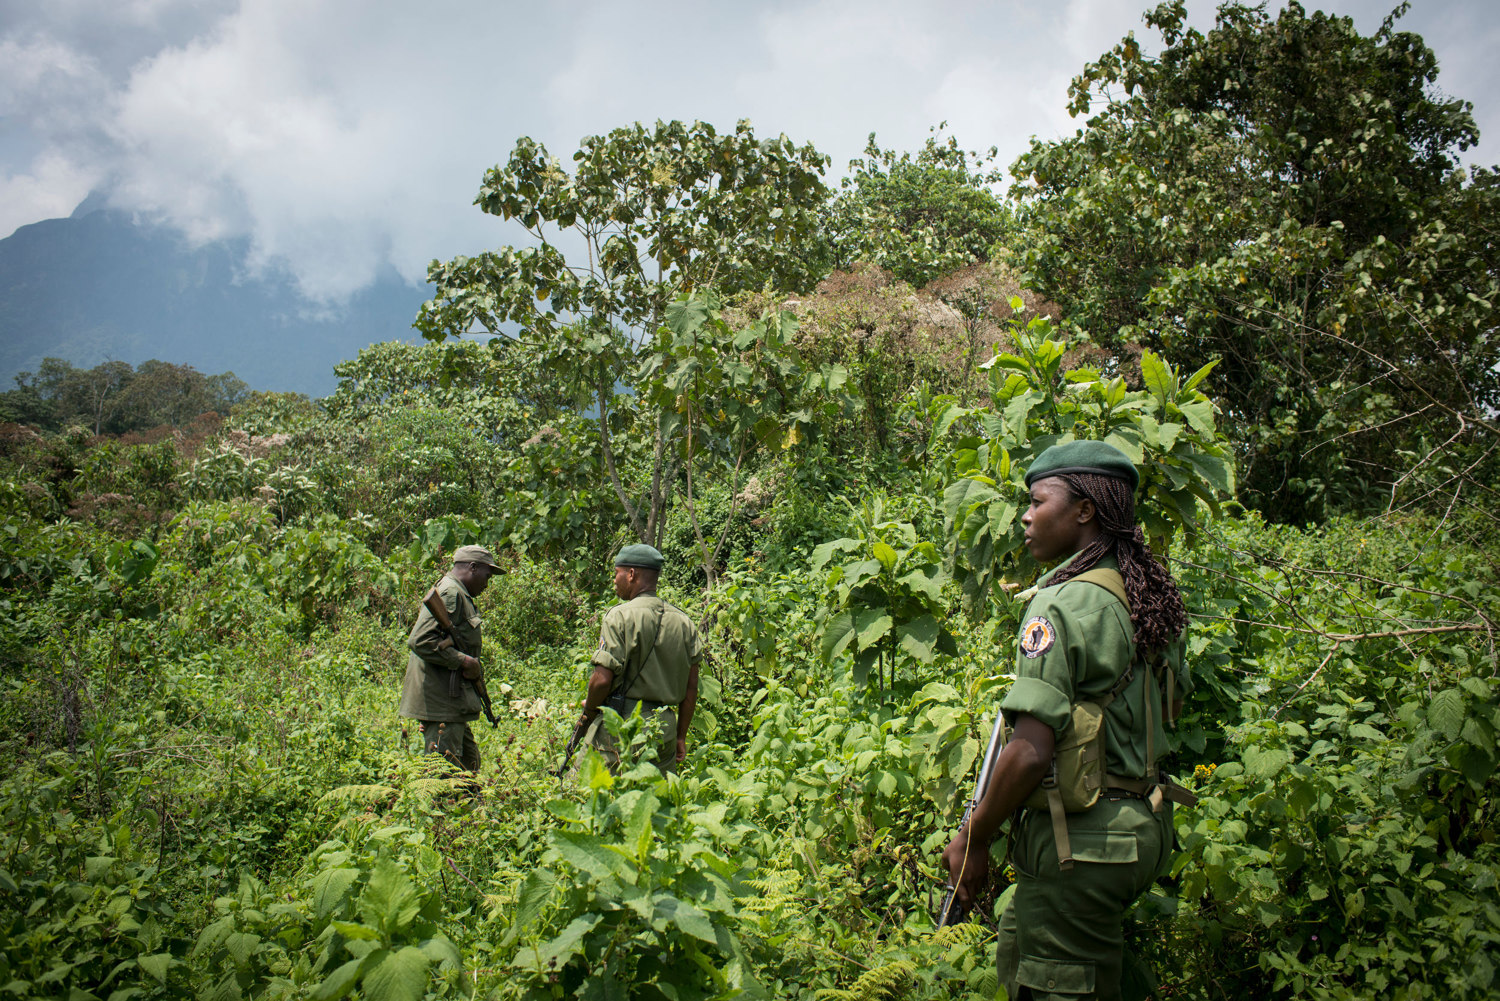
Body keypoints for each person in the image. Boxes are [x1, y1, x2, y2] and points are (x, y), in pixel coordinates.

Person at [940, 440, 1192, 1001]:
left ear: (1085, 510)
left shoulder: (1058, 605)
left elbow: (1030, 750)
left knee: (1052, 985)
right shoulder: (1148, 595)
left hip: (1083, 845)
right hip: (1144, 832)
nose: (1025, 516)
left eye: (1037, 501)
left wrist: (974, 837)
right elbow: (1168, 711)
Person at [574, 544, 702, 774]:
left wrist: (590, 708)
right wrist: (681, 736)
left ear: (631, 574)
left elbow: (602, 680)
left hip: (622, 725)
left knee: (586, 793)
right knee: (653, 802)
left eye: (616, 573)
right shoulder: (685, 623)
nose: (614, 580)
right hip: (664, 729)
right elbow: (691, 688)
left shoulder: (619, 616)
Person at [399, 545, 500, 772]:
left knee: (469, 766)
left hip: (451, 702)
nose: (487, 583)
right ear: (472, 567)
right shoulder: (451, 593)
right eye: (487, 575)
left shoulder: (457, 592)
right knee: (442, 775)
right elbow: (420, 641)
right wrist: (464, 661)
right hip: (441, 701)